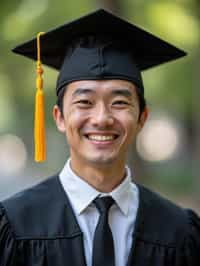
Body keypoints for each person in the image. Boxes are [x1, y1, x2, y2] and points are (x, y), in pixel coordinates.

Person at [0, 9, 199, 266]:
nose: (102, 118)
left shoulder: (180, 232)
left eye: (119, 102)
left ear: (142, 118)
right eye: (85, 102)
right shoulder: (14, 225)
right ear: (59, 117)